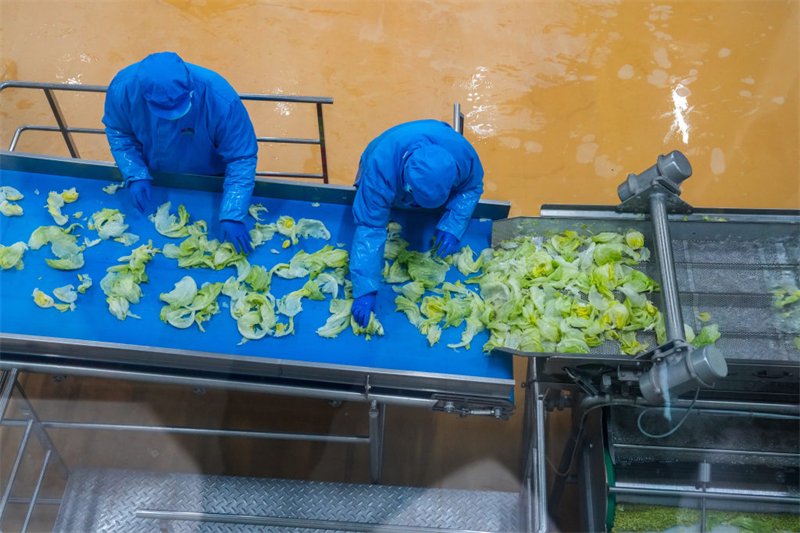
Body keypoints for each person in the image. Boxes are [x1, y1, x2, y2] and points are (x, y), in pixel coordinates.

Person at [103, 51, 257, 253]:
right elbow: (119, 132)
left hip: (210, 177)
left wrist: (233, 212)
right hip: (154, 174)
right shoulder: (123, 88)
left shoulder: (219, 98)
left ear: (189, 87)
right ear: (145, 96)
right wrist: (135, 173)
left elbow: (241, 157)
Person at [349, 119, 484, 328]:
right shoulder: (379, 171)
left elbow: (471, 188)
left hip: (435, 147)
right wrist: (365, 288)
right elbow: (370, 227)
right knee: (373, 205)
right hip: (382, 154)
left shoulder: (464, 156)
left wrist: (453, 224)